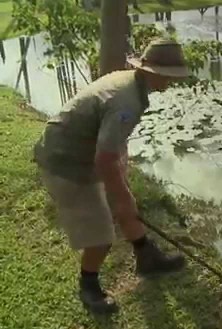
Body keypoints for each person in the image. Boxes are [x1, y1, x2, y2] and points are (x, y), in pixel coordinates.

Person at [33, 38, 191, 314]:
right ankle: (89, 286)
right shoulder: (126, 101)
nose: (171, 82)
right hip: (66, 162)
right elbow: (104, 159)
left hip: (80, 149)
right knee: (102, 234)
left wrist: (122, 180)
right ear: (154, 72)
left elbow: (114, 143)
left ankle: (146, 257)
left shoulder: (130, 81)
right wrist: (122, 195)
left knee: (124, 201)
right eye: (169, 76)